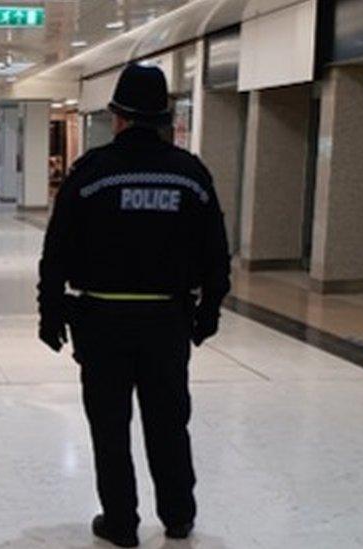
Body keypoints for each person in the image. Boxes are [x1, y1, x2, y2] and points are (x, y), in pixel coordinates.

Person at [36, 65, 231, 548]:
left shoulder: (91, 173)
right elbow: (215, 253)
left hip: (101, 320)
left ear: (119, 117)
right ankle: (179, 514)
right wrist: (209, 313)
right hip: (167, 319)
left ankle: (121, 522)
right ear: (164, 118)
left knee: (110, 425)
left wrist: (51, 310)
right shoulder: (191, 175)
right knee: (168, 421)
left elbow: (56, 249)